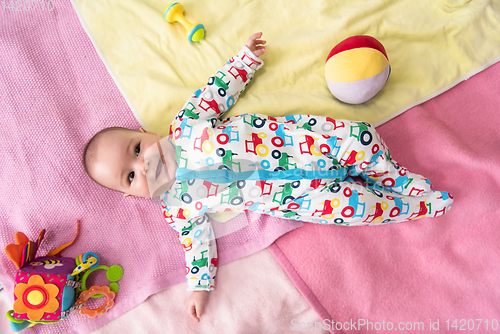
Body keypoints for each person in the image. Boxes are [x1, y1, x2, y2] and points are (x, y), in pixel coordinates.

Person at [83, 32, 453, 322]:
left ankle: (395, 179)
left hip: (305, 143)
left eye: (135, 149)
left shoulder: (187, 125)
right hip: (298, 196)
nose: (143, 164)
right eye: (130, 176)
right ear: (133, 195)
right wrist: (200, 287)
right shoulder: (178, 208)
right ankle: (413, 205)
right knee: (354, 208)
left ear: (144, 134)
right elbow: (197, 247)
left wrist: (245, 60)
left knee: (362, 137)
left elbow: (216, 92)